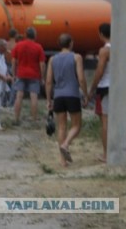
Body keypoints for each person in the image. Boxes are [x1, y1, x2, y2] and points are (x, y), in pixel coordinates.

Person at [45, 33, 88, 166]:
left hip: (58, 96)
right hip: (72, 95)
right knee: (76, 125)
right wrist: (85, 94)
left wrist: (48, 99)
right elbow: (81, 78)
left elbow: (48, 81)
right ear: (71, 43)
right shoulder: (77, 57)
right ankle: (66, 144)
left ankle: (63, 161)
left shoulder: (52, 59)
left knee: (61, 127)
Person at [11, 26, 46, 124]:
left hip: (21, 73)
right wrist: (42, 77)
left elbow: (13, 61)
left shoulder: (18, 45)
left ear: (26, 35)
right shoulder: (38, 47)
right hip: (34, 75)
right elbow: (42, 64)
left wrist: (14, 74)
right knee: (33, 97)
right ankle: (34, 119)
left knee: (19, 96)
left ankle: (16, 118)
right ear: (34, 35)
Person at [88, 22, 111, 163]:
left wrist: (92, 88)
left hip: (106, 87)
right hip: (120, 87)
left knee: (105, 122)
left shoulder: (104, 50)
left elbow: (100, 70)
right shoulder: (122, 47)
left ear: (101, 34)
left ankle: (106, 154)